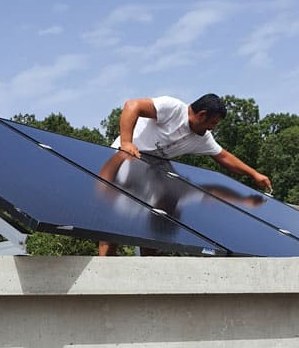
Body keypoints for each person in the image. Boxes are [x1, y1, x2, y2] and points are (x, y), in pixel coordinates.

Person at [98, 93, 272, 255]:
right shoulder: (172, 108)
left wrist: (254, 174)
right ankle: (103, 269)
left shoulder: (202, 137)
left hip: (155, 167)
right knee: (115, 222)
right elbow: (132, 105)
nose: (212, 128)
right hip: (128, 156)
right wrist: (126, 142)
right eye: (213, 123)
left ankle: (148, 270)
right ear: (202, 115)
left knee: (159, 218)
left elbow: (224, 157)